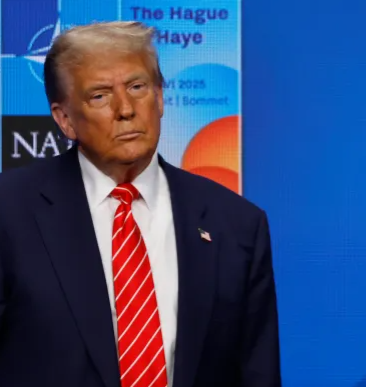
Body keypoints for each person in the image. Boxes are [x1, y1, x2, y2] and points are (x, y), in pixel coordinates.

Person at [0, 22, 281, 387]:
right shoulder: (10, 212)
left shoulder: (237, 224)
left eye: (137, 87)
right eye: (99, 96)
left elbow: (256, 373)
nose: (125, 109)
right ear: (65, 120)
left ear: (160, 98)